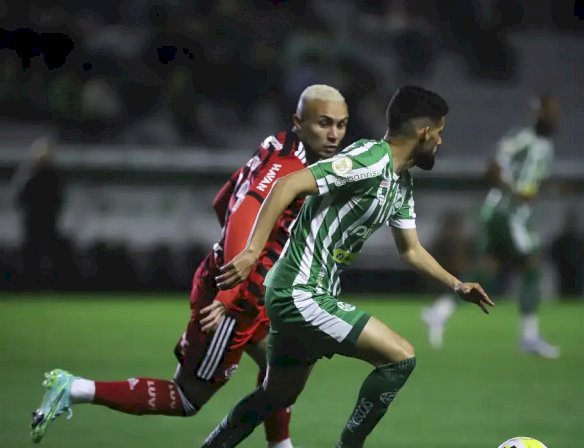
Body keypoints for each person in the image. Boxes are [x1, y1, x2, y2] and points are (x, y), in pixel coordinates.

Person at [29, 85, 350, 447]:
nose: (335, 134)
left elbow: (223, 200)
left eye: (341, 124)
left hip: (252, 294)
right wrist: (230, 293)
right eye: (324, 123)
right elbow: (242, 214)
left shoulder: (277, 144)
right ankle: (74, 388)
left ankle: (281, 445)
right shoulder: (288, 168)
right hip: (233, 303)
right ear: (299, 121)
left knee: (282, 367)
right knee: (186, 398)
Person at [198, 86, 493, 448]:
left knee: (277, 396)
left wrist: (456, 285)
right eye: (441, 132)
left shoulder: (400, 183)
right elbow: (287, 185)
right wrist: (250, 252)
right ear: (424, 132)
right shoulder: (370, 159)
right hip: (299, 290)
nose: (441, 142)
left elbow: (411, 250)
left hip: (304, 292)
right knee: (399, 358)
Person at [422, 94, 561, 358]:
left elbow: (531, 182)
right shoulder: (523, 139)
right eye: (550, 111)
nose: (554, 117)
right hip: (505, 213)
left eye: (556, 112)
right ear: (538, 113)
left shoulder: (545, 147)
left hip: (513, 213)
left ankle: (439, 311)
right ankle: (529, 336)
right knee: (532, 265)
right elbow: (493, 167)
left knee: (488, 268)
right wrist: (515, 192)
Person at [12, 137, 66, 289]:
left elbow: (59, 198)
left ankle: (52, 285)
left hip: (48, 220)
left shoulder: (53, 175)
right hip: (32, 220)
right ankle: (29, 284)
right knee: (30, 254)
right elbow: (20, 196)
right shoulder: (27, 172)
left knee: (50, 254)